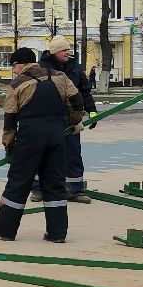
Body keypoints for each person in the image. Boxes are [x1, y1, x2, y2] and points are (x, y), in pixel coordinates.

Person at [0, 47, 86, 243]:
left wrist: (9, 145)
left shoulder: (18, 83)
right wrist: (73, 123)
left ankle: (5, 230)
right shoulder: (60, 77)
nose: (13, 70)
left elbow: (10, 118)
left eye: (14, 65)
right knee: (55, 183)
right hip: (56, 137)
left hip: (29, 138)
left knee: (18, 183)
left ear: (22, 64)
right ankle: (57, 233)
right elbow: (77, 101)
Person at [38, 36, 96, 201]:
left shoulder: (75, 67)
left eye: (68, 50)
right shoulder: (42, 67)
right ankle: (39, 189)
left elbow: (85, 91)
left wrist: (92, 112)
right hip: (49, 119)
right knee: (45, 154)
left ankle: (74, 190)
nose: (67, 53)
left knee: (72, 154)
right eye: (64, 50)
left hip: (71, 119)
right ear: (54, 51)